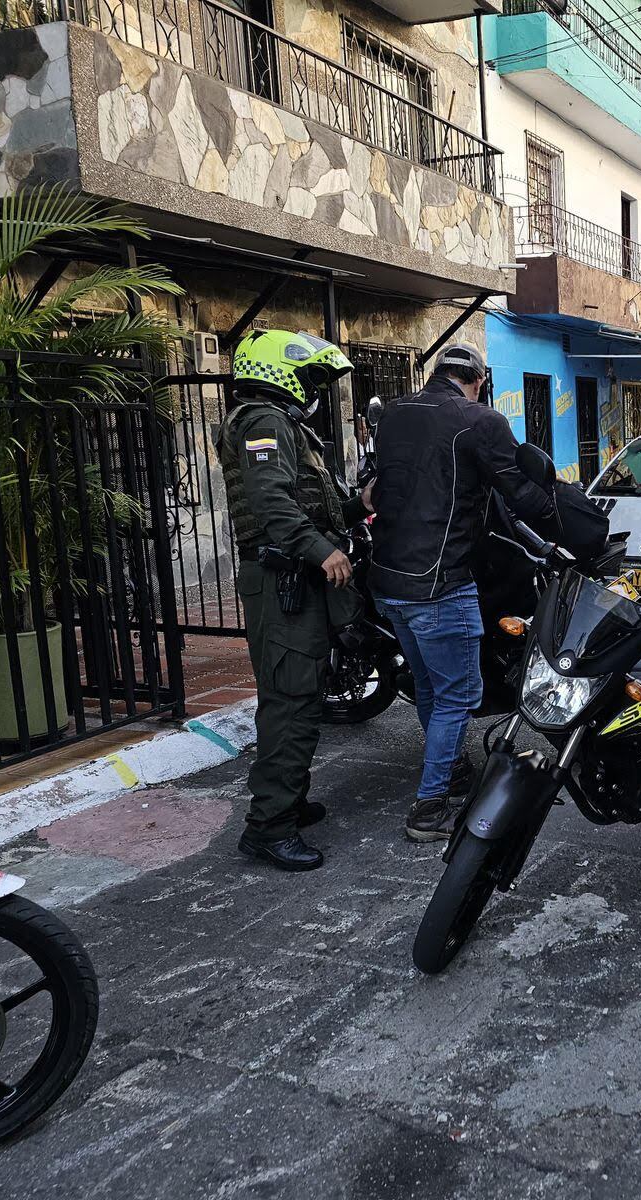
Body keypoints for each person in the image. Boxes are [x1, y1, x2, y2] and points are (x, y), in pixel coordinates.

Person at [369, 343, 554, 842]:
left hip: (387, 581)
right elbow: (520, 491)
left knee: (431, 688)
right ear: (477, 380)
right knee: (456, 697)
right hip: (439, 584)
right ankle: (429, 808)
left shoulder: (394, 413)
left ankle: (451, 774)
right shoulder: (479, 419)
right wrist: (559, 510)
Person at [217, 329, 369, 872]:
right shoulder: (264, 421)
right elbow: (270, 502)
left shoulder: (281, 423)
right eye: (310, 377)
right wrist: (322, 550)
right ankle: (269, 828)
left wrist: (359, 506)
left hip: (292, 580)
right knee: (289, 701)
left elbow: (310, 506)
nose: (315, 388)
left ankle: (288, 802)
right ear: (280, 372)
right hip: (280, 582)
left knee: (301, 695)